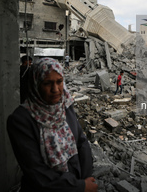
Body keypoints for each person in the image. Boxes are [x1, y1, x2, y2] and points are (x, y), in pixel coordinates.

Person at [7, 57, 97, 192]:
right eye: (48, 83)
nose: (55, 89)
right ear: (36, 84)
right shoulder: (21, 120)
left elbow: (82, 142)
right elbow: (36, 172)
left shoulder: (65, 106)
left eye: (59, 82)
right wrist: (79, 187)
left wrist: (85, 178)